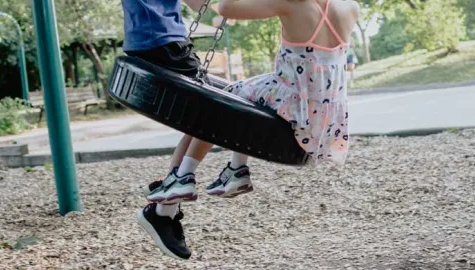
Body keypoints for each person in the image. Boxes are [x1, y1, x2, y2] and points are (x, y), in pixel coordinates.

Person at [138, 0, 360, 260]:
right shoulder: (350, 7)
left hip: (292, 100)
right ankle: (236, 170)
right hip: (324, 117)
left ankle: (182, 175)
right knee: (248, 98)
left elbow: (226, 8)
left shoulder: (293, 3)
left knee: (222, 99)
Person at [121, 0, 217, 260]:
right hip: (163, 42)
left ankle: (166, 210)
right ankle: (163, 211)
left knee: (202, 120)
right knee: (218, 111)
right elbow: (200, 4)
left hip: (148, 41)